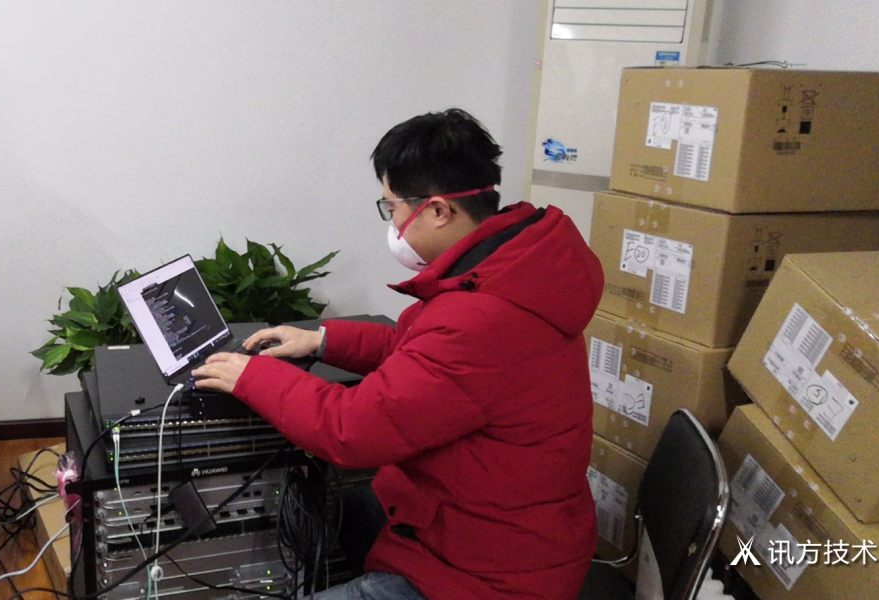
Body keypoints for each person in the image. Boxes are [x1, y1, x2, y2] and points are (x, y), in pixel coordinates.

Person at [191, 108, 603, 600]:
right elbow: (420, 355)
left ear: (438, 211)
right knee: (334, 505)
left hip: (486, 577)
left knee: (337, 497)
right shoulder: (508, 269)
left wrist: (251, 376)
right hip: (477, 528)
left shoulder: (482, 316)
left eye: (392, 208)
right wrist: (322, 340)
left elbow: (349, 430)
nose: (393, 223)